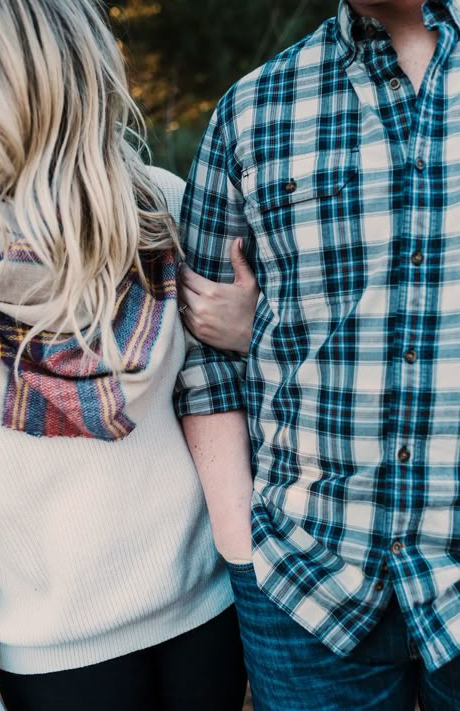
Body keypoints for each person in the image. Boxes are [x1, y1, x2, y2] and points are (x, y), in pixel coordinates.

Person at [175, 0, 460, 709]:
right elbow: (203, 359)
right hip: (305, 590)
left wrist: (262, 326)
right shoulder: (254, 107)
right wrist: (242, 553)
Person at [0, 1, 248, 710]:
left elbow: (238, 389)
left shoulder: (162, 209)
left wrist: (250, 331)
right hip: (51, 654)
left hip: (206, 614)